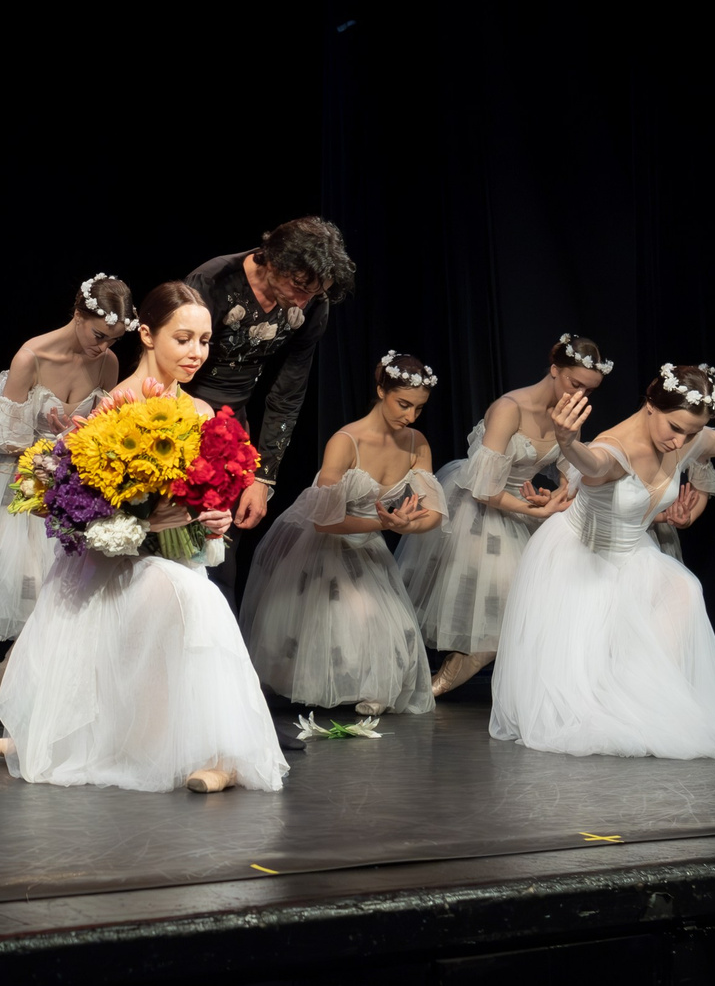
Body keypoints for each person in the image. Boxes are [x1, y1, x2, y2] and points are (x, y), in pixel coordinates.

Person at [0, 281, 289, 794]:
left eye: (204, 341)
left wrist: (210, 518)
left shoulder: (197, 412)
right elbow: (83, 504)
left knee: (194, 596)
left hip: (170, 557)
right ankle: (68, 735)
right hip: (117, 556)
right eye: (183, 339)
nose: (196, 353)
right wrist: (131, 522)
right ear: (147, 335)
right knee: (189, 598)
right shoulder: (112, 409)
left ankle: (221, 753)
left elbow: (202, 503)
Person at [489, 361, 715, 758]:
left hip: (633, 552)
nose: (681, 442)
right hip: (583, 554)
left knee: (684, 589)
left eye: (691, 433)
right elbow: (593, 464)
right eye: (675, 428)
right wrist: (569, 442)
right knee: (584, 673)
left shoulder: (687, 440)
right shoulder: (615, 446)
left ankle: (643, 697)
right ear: (650, 405)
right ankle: (611, 703)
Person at [0, 275, 130, 715]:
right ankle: (4, 673)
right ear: (78, 315)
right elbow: (2, 436)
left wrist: (80, 439)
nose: (103, 347)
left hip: (67, 484)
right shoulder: (32, 356)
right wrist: (50, 441)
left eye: (113, 339)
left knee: (65, 588)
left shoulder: (108, 363)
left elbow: (103, 426)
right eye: (99, 336)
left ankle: (9, 673)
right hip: (17, 481)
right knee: (27, 583)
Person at [398, 334, 601, 697]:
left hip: (519, 511)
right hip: (476, 509)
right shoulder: (511, 408)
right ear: (555, 370)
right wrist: (533, 508)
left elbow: (570, 477)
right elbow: (483, 488)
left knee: (523, 610)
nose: (580, 396)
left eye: (589, 390)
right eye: (575, 384)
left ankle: (439, 684)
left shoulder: (567, 417)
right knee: (493, 608)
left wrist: (552, 495)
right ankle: (417, 682)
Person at [244, 351, 444, 717]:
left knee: (385, 624)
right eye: (403, 404)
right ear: (381, 387)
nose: (410, 416)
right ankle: (319, 687)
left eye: (418, 408)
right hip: (326, 543)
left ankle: (370, 689)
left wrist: (409, 525)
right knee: (343, 616)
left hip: (369, 545)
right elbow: (324, 521)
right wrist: (386, 524)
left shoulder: (417, 443)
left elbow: (432, 512)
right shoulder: (346, 441)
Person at [183, 216, 358, 571]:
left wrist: (263, 477)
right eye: (299, 285)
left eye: (316, 291)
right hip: (181, 413)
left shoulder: (311, 301)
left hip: (235, 428)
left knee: (222, 557)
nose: (305, 299)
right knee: (179, 542)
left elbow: (289, 391)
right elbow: (168, 359)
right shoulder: (213, 280)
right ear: (274, 260)